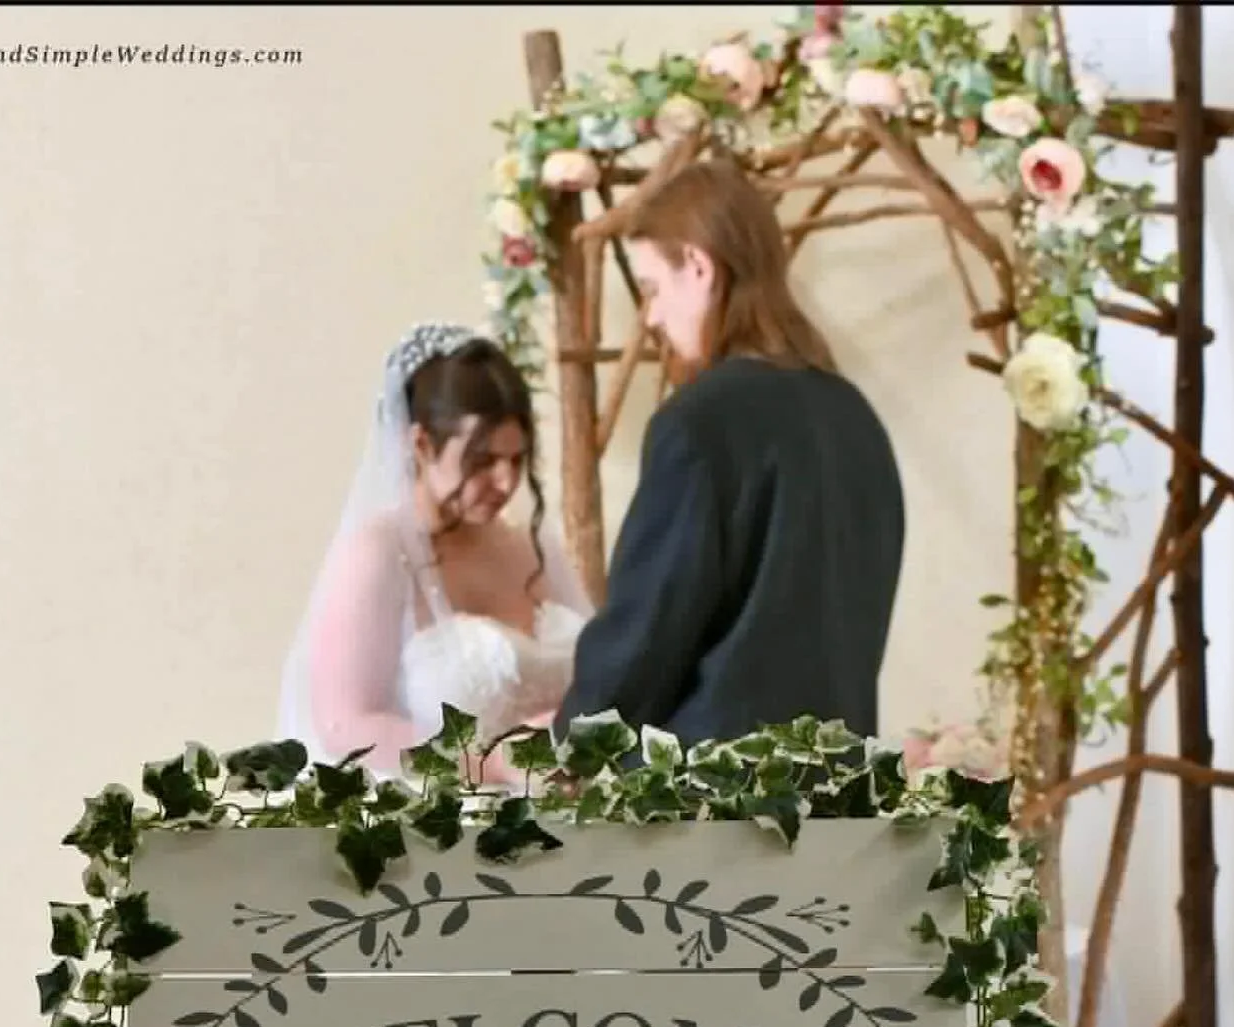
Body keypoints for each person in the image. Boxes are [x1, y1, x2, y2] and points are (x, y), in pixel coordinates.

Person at [554, 159, 905, 750]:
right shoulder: (856, 418)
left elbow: (647, 631)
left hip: (714, 808)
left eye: (652, 289)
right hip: (840, 800)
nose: (653, 316)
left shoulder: (698, 425)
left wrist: (569, 742)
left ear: (698, 267)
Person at [279, 324, 591, 778]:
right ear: (422, 444)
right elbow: (347, 725)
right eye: (482, 461)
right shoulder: (380, 554)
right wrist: (496, 765)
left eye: (517, 459)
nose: (506, 482)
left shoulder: (535, 546)